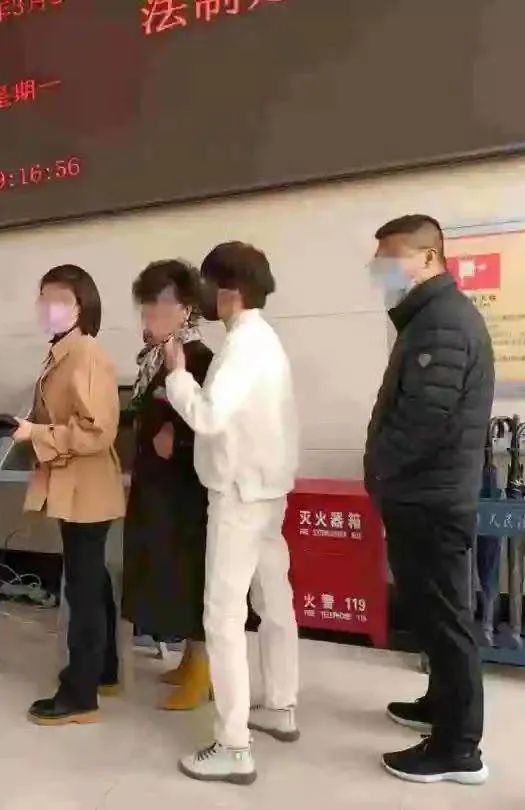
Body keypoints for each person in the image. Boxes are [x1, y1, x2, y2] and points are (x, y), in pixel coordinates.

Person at [365, 214, 493, 785]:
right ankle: (440, 706)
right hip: (426, 495)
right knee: (435, 614)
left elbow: (423, 421)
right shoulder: (429, 318)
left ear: (428, 258)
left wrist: (381, 472)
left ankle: (458, 749)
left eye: (390, 258)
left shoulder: (442, 323)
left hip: (430, 499)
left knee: (445, 620)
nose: (380, 270)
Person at [164, 242, 299, 785]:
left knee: (222, 616)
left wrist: (178, 375)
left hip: (238, 495)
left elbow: (210, 415)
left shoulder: (243, 346)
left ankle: (233, 745)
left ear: (229, 291)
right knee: (274, 602)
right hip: (268, 491)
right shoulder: (265, 339)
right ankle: (280, 705)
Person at [11, 264, 125, 726]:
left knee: (83, 589)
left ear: (83, 306)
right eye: (44, 297)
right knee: (91, 582)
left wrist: (35, 433)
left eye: (60, 298)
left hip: (87, 488)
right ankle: (101, 672)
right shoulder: (63, 351)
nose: (48, 307)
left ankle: (81, 694)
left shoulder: (86, 354)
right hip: (75, 486)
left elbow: (97, 431)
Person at [123, 259, 215, 711]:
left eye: (160, 305)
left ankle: (203, 669)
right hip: (155, 485)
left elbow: (212, 421)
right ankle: (188, 660)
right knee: (164, 574)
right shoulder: (155, 357)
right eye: (146, 305)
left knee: (190, 575)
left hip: (185, 492)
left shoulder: (199, 358)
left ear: (186, 308)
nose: (150, 315)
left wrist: (176, 439)